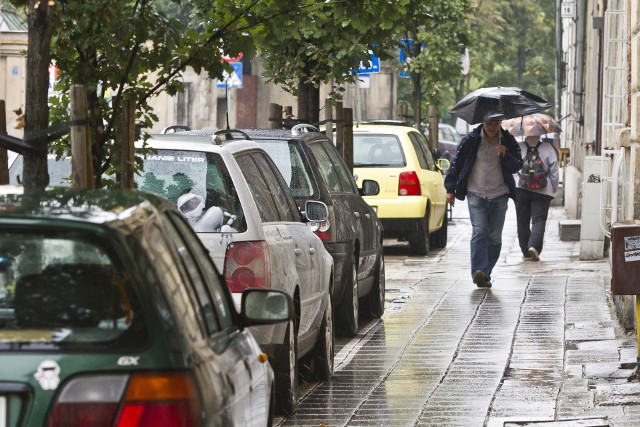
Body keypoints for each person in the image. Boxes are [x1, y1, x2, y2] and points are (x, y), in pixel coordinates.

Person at [444, 120, 523, 288]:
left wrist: (506, 154)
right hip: (476, 192)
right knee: (479, 231)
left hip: (500, 194)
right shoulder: (470, 140)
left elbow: (517, 165)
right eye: (489, 123)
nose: (492, 127)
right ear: (483, 122)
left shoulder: (508, 140)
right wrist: (450, 189)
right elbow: (456, 164)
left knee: (494, 237)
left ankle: (486, 273)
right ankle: (478, 270)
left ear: (500, 122)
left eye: (495, 123)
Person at [515, 134, 559, 261]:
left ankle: (525, 251)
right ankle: (534, 246)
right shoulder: (548, 147)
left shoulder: (519, 147)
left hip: (521, 189)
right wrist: (553, 189)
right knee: (539, 220)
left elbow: (513, 168)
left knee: (522, 220)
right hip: (543, 190)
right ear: (540, 133)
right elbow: (554, 171)